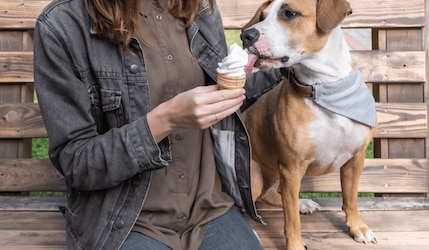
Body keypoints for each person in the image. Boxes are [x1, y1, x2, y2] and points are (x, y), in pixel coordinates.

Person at [34, 0, 284, 249]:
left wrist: (288, 69)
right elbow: (77, 162)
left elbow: (220, 97)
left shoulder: (198, 7)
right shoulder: (62, 24)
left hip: (210, 209)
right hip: (123, 221)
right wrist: (164, 120)